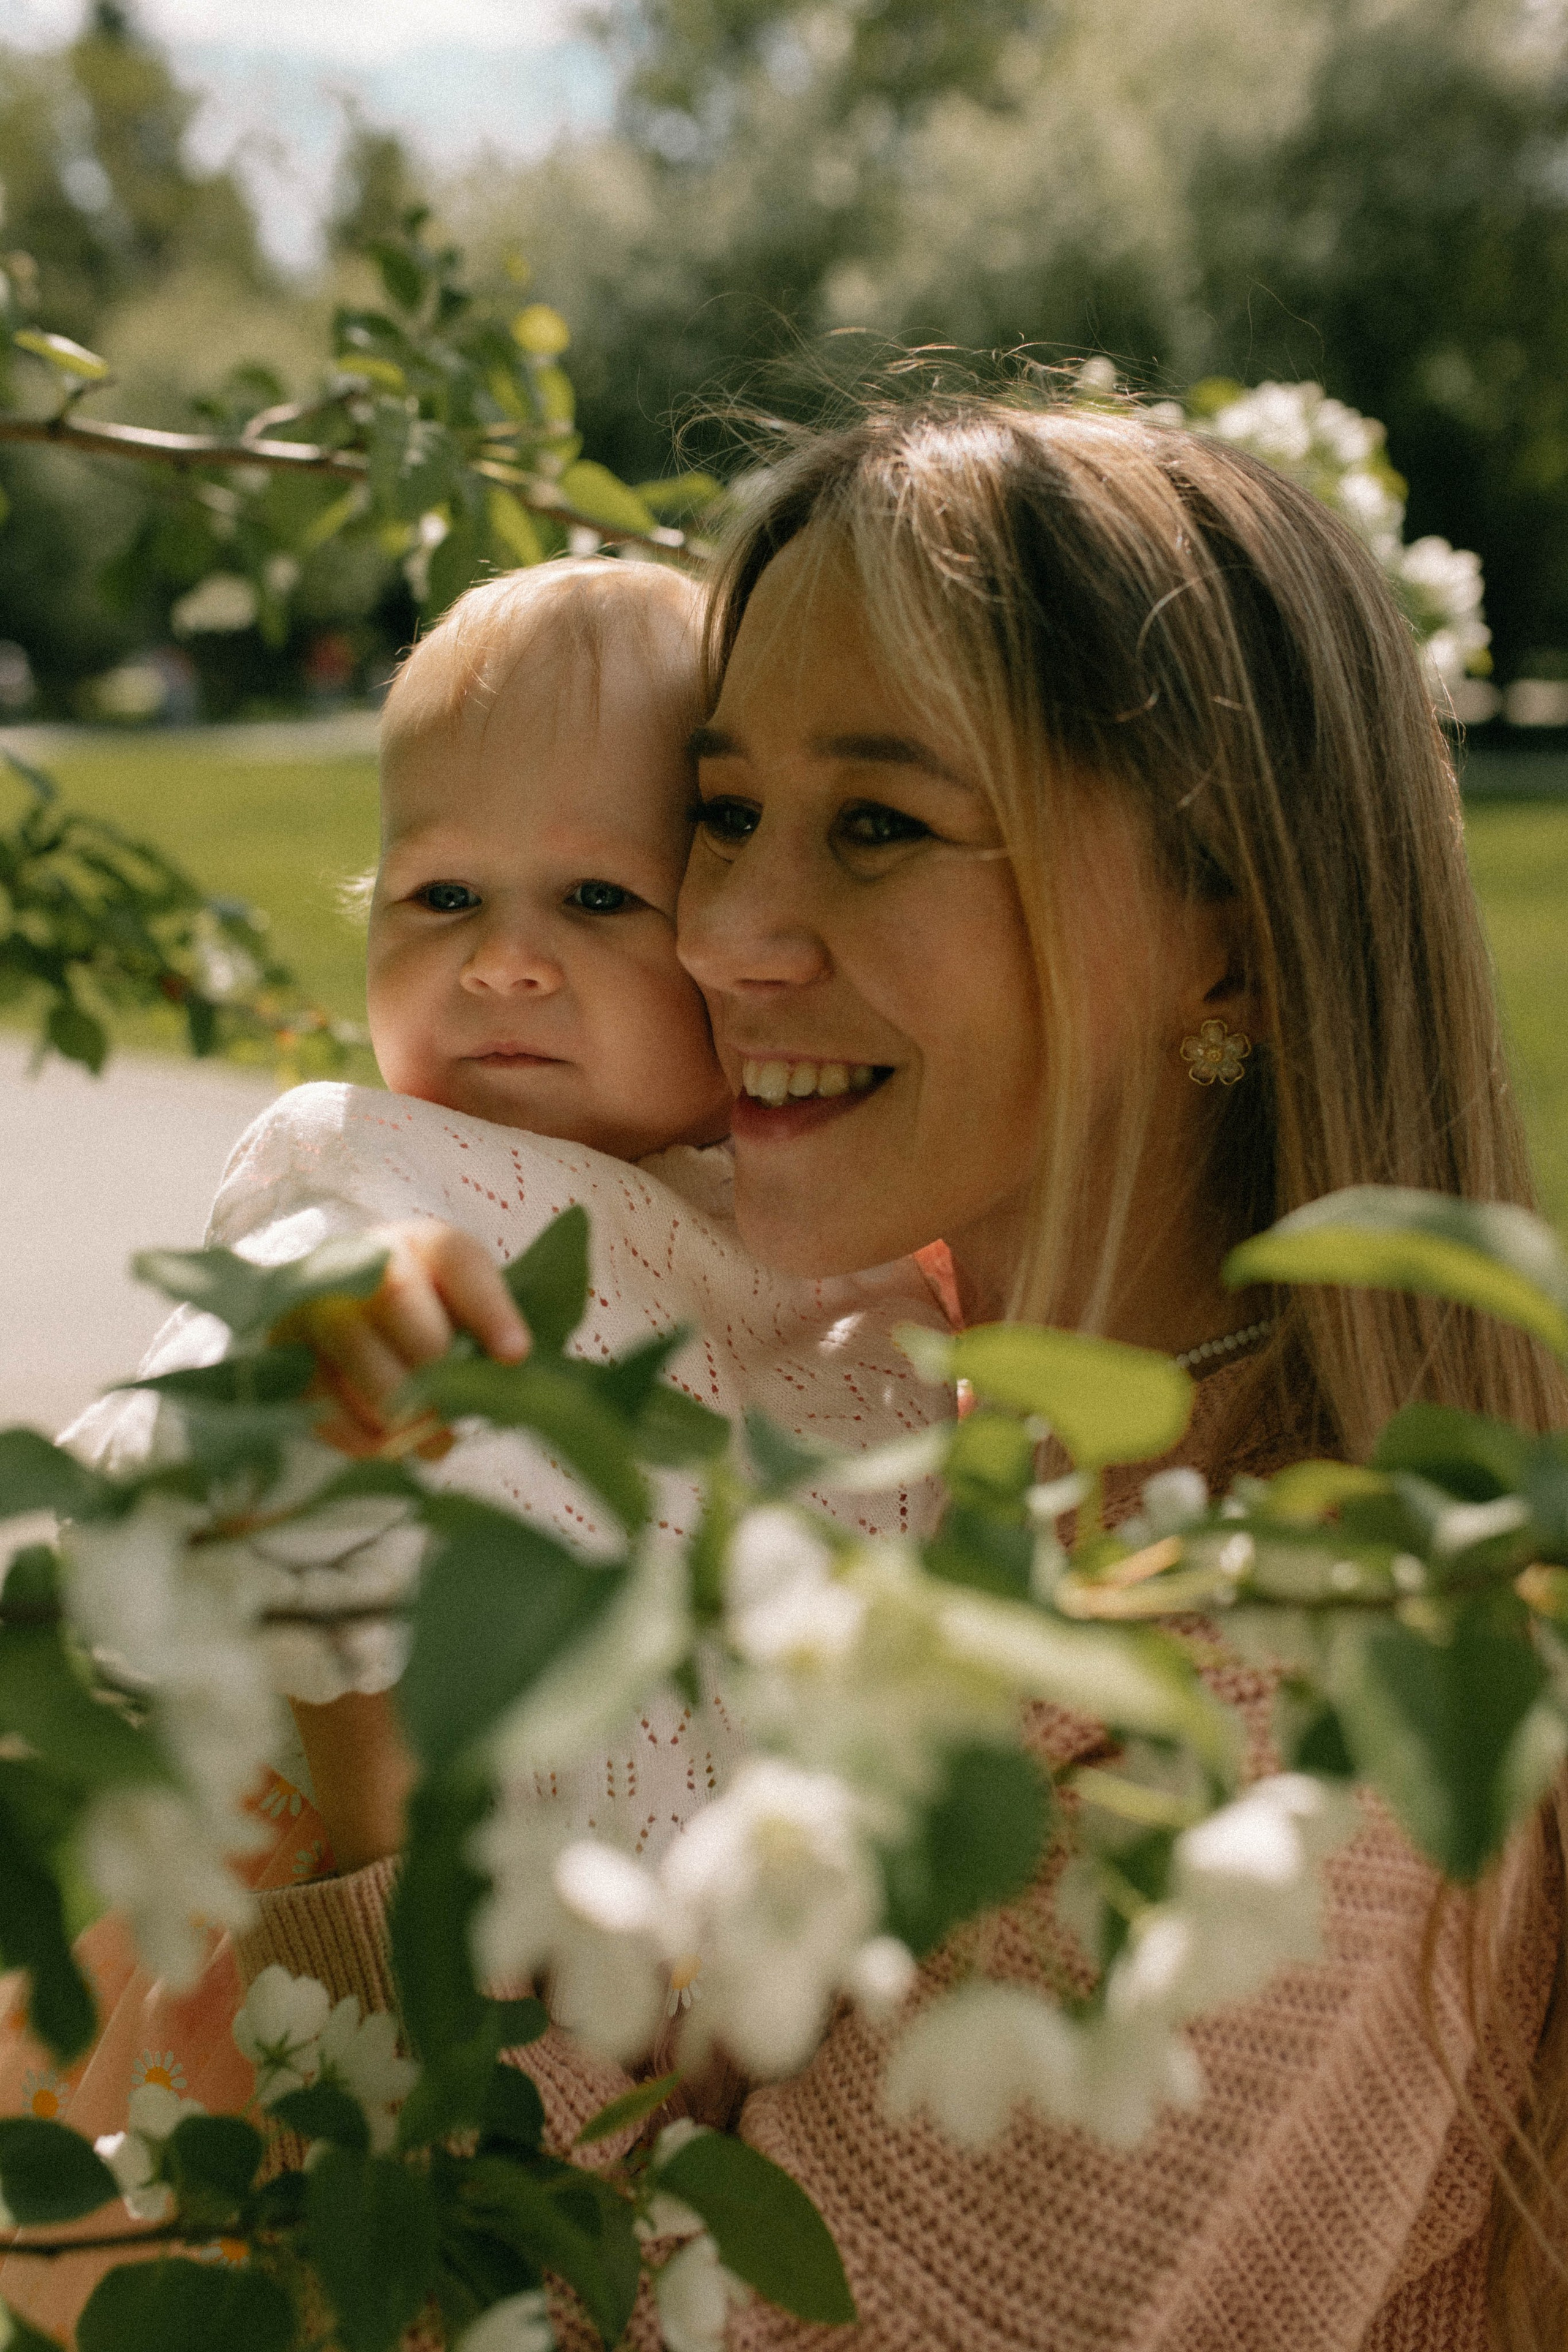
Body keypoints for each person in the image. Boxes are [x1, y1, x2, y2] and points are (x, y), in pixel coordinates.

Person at [236, 399, 1568, 2351]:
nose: (721, 934)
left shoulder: (1296, 1717)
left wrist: (359, 1721)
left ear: (1231, 950)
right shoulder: (845, 1414)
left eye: (877, 825)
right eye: (720, 813)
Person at [0, 552, 952, 2340]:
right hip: (302, 1994)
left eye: (598, 897)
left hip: (638, 2027)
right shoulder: (386, 1188)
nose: (504, 960)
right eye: (441, 895)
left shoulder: (825, 1260)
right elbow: (188, 1460)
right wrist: (316, 1368)